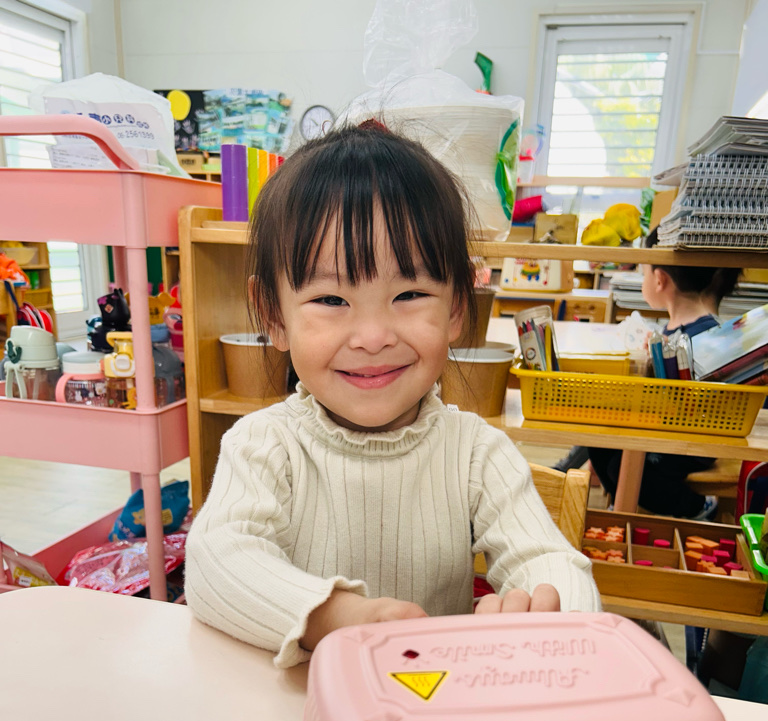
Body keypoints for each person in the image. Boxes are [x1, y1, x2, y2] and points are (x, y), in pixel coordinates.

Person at [185, 123, 600, 667]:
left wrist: (549, 614)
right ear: (273, 315)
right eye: (331, 300)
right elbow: (217, 561)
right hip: (302, 705)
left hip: (433, 704)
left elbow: (550, 561)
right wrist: (333, 617)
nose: (373, 336)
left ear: (457, 308)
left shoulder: (476, 452)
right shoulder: (264, 445)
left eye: (409, 293)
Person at [588, 227, 740, 520]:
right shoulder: (670, 330)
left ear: (659, 279)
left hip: (691, 441)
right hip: (663, 428)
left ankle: (698, 507)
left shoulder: (706, 336)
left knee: (624, 465)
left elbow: (693, 406)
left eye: (643, 272)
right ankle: (623, 503)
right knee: (600, 445)